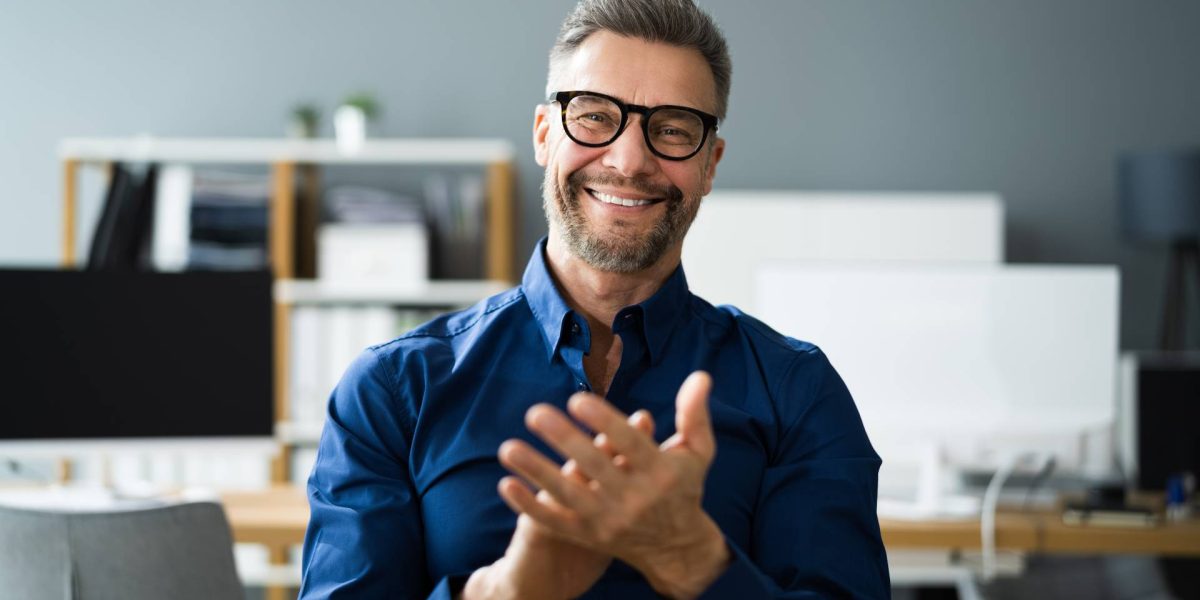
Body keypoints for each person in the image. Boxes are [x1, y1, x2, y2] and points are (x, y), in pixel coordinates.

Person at [299, 0, 890, 597]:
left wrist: (698, 563)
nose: (629, 160)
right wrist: (501, 594)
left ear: (710, 165)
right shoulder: (394, 388)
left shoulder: (797, 390)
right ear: (543, 134)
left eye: (673, 129)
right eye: (594, 116)